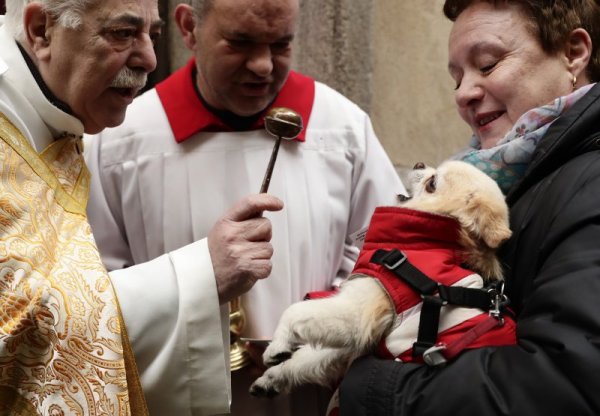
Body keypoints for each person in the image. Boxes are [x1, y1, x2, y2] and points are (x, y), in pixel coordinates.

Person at [84, 0, 404, 414]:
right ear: (189, 28)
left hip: (312, 393)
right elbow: (95, 282)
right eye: (241, 42)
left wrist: (324, 319)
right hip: (176, 392)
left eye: (281, 44)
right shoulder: (122, 138)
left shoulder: (341, 127)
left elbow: (386, 252)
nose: (263, 66)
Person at [0, 0, 283, 414]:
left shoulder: (56, 114)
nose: (149, 59)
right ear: (43, 29)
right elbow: (18, 332)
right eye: (122, 33)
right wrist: (201, 276)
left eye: (152, 36)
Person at [339, 0, 600, 415]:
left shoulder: (590, 184)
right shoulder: (509, 176)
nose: (463, 94)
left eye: (488, 63)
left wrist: (375, 388)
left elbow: (567, 386)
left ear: (574, 53)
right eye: (456, 77)